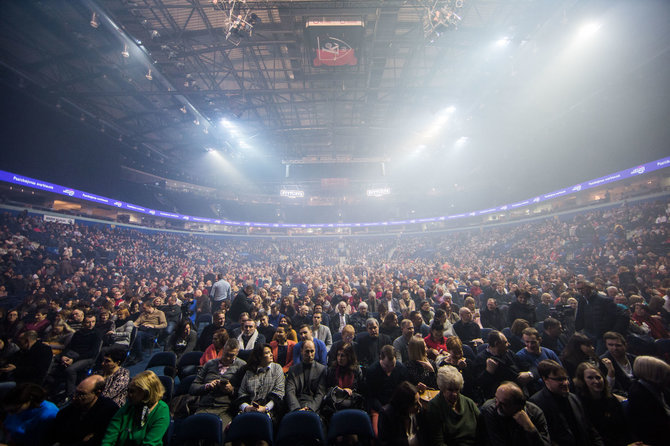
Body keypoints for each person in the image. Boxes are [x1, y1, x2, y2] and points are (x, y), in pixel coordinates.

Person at [529, 360, 604, 446]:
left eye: (566, 378)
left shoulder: (574, 398)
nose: (565, 383)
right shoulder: (536, 403)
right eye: (559, 379)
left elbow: (590, 429)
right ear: (545, 379)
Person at [573, 362, 636, 446]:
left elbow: (624, 426)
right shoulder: (581, 404)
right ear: (582, 381)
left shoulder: (611, 399)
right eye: (590, 378)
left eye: (598, 377)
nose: (596, 381)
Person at [101, 370, 170, 446]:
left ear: (146, 393)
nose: (128, 395)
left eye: (132, 391)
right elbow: (110, 434)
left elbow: (150, 443)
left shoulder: (161, 410)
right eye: (128, 391)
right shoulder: (129, 406)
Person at [191, 338, 246, 426]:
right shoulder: (210, 364)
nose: (228, 358)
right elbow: (193, 388)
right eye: (226, 354)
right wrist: (207, 386)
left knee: (219, 431)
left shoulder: (242, 366)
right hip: (205, 407)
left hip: (225, 409)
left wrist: (231, 390)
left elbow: (245, 393)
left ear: (237, 354)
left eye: (231, 355)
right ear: (222, 350)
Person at [51, 375, 119, 446]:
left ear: (97, 393)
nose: (75, 397)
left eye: (82, 394)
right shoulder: (72, 407)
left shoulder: (109, 410)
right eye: (76, 392)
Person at [425, 365, 482, 446]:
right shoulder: (435, 406)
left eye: (457, 389)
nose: (454, 394)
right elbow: (438, 442)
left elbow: (483, 431)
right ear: (442, 388)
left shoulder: (469, 403)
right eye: (450, 390)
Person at [48, 314, 102, 399]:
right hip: (73, 355)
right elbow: (69, 347)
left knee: (70, 369)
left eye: (93, 322)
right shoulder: (78, 333)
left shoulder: (96, 334)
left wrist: (73, 359)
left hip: (87, 358)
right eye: (88, 322)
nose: (91, 324)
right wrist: (63, 356)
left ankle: (71, 395)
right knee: (54, 363)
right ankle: (51, 391)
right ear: (84, 323)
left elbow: (93, 352)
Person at [479, 382, 551, 446]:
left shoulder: (535, 413)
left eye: (503, 404)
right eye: (496, 399)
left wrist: (530, 429)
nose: (497, 405)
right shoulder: (489, 410)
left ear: (518, 406)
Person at [474, 330, 534, 402]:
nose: (508, 344)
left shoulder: (509, 353)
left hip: (518, 389)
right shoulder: (481, 359)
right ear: (497, 344)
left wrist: (529, 374)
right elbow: (479, 384)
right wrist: (488, 372)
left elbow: (527, 366)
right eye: (505, 342)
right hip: (499, 397)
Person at [365, 345, 409, 435]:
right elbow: (370, 396)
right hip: (378, 407)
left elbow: (403, 392)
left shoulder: (401, 369)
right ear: (380, 359)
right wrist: (382, 409)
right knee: (378, 434)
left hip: (397, 406)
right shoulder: (372, 371)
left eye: (392, 365)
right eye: (386, 366)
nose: (389, 369)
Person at [237, 343, 285, 424]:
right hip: (250, 410)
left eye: (271, 352)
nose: (271, 354)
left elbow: (279, 393)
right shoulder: (249, 372)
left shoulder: (277, 368)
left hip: (270, 411)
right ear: (259, 357)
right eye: (267, 353)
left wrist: (265, 408)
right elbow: (242, 393)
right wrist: (246, 407)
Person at [575, 281, 628, 354]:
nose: (580, 291)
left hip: (601, 335)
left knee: (600, 356)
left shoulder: (604, 300)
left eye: (582, 288)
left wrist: (612, 332)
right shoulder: (582, 300)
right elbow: (580, 316)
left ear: (589, 288)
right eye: (578, 289)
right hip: (588, 333)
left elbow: (618, 317)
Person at [627, 356, 670, 446]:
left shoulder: (661, 388)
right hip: (655, 437)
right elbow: (653, 423)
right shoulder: (637, 393)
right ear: (655, 374)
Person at [285, 340, 328, 413]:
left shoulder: (322, 370)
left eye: (312, 351)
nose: (310, 354)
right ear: (301, 351)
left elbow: (320, 394)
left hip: (314, 407)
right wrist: (296, 409)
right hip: (296, 405)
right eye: (307, 351)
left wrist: (310, 408)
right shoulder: (293, 370)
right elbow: (290, 391)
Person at [378, 381, 424, 446]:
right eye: (415, 403)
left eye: (419, 400)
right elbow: (385, 443)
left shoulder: (418, 412)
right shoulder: (387, 415)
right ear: (405, 405)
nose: (420, 405)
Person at [599, 331, 636, 395]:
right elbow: (606, 388)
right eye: (610, 345)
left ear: (625, 345)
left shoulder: (633, 359)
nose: (614, 348)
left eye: (618, 345)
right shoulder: (603, 362)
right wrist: (611, 372)